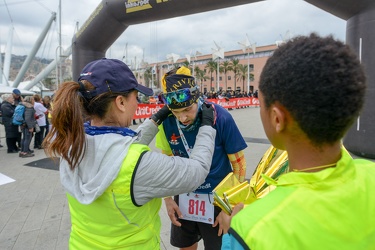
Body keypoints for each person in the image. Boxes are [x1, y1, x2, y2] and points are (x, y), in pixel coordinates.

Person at [217, 33, 375, 249]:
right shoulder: (370, 175)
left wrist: (232, 231)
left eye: (261, 105)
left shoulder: (249, 229)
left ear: (277, 119)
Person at [43, 58, 217, 249]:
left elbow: (118, 147)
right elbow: (197, 171)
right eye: (136, 97)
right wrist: (207, 126)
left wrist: (156, 118)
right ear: (121, 102)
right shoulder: (139, 164)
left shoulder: (71, 145)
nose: (137, 103)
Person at [155, 66, 247, 250]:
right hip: (184, 197)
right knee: (186, 246)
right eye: (176, 112)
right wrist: (168, 199)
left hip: (217, 199)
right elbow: (165, 164)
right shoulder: (166, 122)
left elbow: (239, 166)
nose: (182, 118)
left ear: (196, 97)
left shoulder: (221, 117)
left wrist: (228, 207)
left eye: (188, 109)